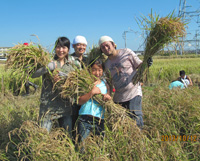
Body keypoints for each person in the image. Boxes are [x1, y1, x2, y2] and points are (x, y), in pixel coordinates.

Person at [98, 35, 153, 129]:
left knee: (135, 117)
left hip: (133, 92)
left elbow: (139, 66)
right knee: (122, 123)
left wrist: (146, 64)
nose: (106, 48)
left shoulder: (126, 52)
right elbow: (109, 83)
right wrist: (109, 95)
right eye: (103, 47)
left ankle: (139, 139)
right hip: (119, 97)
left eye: (107, 45)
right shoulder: (106, 64)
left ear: (113, 44)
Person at [31, 37, 74, 133]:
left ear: (68, 49)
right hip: (48, 107)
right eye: (58, 47)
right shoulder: (47, 61)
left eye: (64, 47)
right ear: (55, 48)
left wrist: (64, 82)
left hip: (65, 107)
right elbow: (33, 75)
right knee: (43, 136)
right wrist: (47, 68)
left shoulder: (71, 67)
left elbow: (73, 88)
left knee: (67, 136)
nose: (61, 50)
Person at [77, 58, 111, 143]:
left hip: (99, 120)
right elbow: (79, 101)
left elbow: (109, 101)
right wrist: (91, 93)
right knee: (82, 145)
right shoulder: (85, 83)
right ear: (89, 70)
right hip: (85, 118)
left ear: (103, 71)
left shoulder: (105, 85)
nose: (97, 73)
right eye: (94, 70)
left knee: (99, 145)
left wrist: (108, 99)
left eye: (100, 70)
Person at [69, 35, 88, 138]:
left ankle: (82, 138)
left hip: (86, 95)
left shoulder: (88, 60)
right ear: (73, 46)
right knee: (73, 118)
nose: (81, 47)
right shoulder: (69, 59)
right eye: (78, 45)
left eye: (84, 45)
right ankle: (73, 139)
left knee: (84, 118)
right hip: (73, 95)